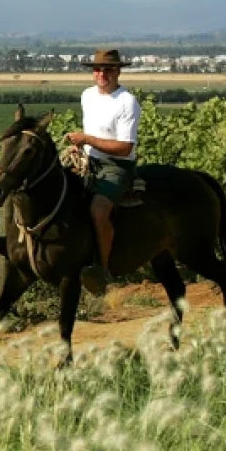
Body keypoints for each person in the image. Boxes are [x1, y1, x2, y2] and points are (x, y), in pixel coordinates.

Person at [65, 48, 140, 295]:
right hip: (89, 160)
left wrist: (87, 139)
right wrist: (79, 147)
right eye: (98, 69)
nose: (102, 74)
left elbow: (124, 147)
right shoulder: (87, 95)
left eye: (108, 69)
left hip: (116, 166)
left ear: (118, 71)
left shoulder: (127, 101)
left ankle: (103, 269)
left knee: (99, 209)